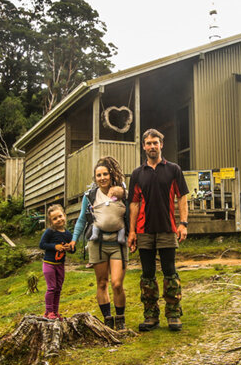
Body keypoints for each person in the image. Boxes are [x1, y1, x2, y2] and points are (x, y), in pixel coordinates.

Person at [128, 129, 189, 332]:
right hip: (144, 231)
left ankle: (173, 314)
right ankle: (150, 316)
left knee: (170, 272)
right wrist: (132, 232)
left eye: (155, 142)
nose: (152, 146)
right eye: (148, 143)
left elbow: (182, 197)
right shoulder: (137, 174)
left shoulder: (173, 169)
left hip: (167, 229)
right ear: (144, 146)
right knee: (147, 275)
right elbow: (134, 204)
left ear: (161, 144)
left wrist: (184, 223)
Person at [70, 156, 129, 330]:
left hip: (118, 242)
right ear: (95, 178)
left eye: (105, 174)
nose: (102, 178)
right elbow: (81, 220)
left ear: (111, 175)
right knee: (102, 282)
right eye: (98, 175)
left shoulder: (120, 192)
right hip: (98, 243)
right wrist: (74, 239)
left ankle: (120, 319)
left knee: (117, 283)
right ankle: (108, 319)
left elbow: (131, 213)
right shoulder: (90, 196)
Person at [39, 204, 73, 320]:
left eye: (60, 216)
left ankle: (55, 311)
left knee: (58, 288)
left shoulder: (68, 234)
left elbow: (73, 249)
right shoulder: (50, 232)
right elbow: (42, 244)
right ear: (51, 222)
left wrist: (70, 248)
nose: (59, 219)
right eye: (55, 218)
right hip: (49, 264)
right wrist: (55, 247)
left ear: (64, 215)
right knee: (51, 288)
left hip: (60, 265)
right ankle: (48, 311)